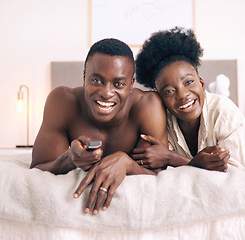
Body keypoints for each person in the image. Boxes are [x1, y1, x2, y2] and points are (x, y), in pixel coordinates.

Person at [31, 38, 168, 215]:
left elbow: (160, 176)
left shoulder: (148, 106)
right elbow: (37, 169)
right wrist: (69, 159)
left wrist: (127, 163)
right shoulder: (62, 101)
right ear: (84, 77)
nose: (106, 93)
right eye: (96, 80)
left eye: (118, 84)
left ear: (131, 83)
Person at [133, 27, 245, 172]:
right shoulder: (160, 121)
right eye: (169, 91)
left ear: (201, 83)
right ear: (160, 97)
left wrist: (171, 157)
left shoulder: (224, 112)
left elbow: (235, 173)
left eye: (188, 82)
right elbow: (156, 169)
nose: (182, 95)